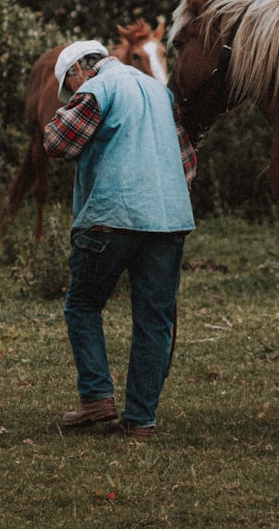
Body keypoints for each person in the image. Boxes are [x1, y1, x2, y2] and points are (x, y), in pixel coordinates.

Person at [43, 39, 196, 438]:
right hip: (168, 221)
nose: (73, 94)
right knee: (154, 319)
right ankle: (141, 420)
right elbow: (188, 163)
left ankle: (96, 398)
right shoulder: (159, 92)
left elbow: (58, 142)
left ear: (80, 69)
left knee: (83, 305)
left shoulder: (98, 87)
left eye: (70, 87)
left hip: (111, 218)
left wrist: (64, 114)